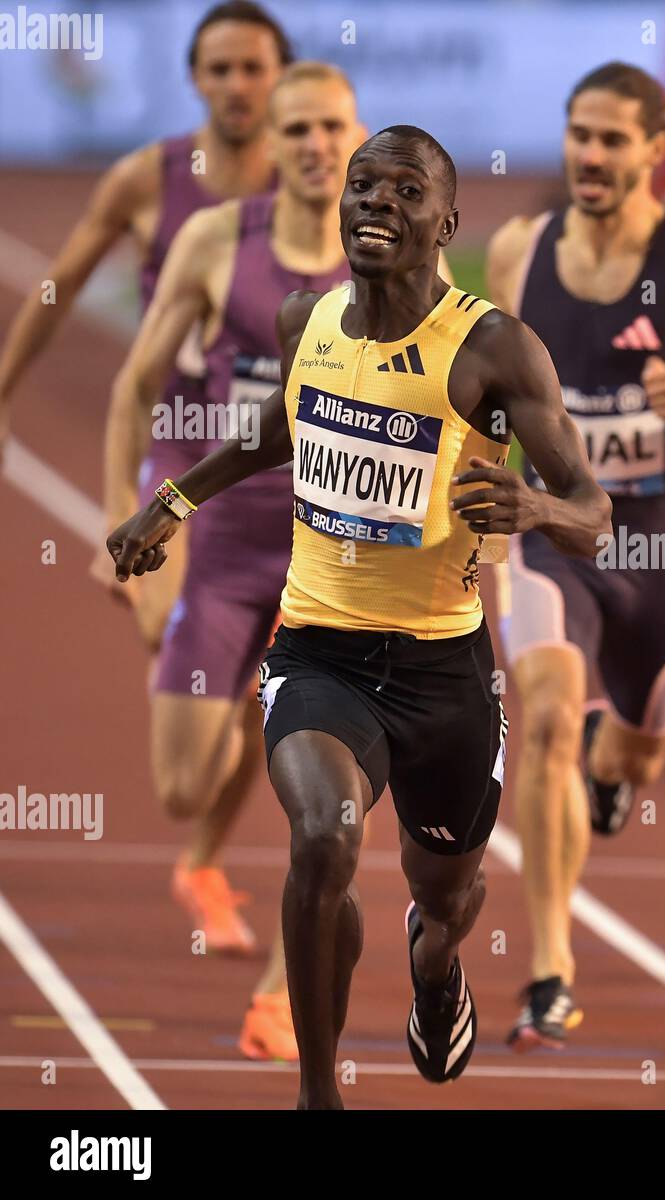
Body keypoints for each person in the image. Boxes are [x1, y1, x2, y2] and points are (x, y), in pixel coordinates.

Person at [107, 124, 612, 1109]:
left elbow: (593, 513)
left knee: (447, 893)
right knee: (324, 840)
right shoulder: (310, 319)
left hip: (443, 669)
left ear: (447, 222)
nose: (378, 202)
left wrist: (537, 508)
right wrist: (168, 505)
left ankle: (435, 972)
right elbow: (274, 427)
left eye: (406, 190)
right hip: (318, 654)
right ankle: (317, 1092)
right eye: (362, 186)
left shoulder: (493, 348)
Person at [485, 61, 665, 1049]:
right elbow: (485, 403)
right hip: (549, 532)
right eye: (578, 134)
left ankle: (619, 775)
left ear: (655, 148)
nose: (590, 155)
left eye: (612, 139)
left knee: (633, 749)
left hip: (655, 544)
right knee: (552, 723)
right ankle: (549, 968)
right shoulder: (519, 252)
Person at [104, 61, 364, 1060]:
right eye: (296, 128)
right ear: (275, 140)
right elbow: (135, 386)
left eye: (332, 126)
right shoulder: (220, 241)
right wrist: (128, 514)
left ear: (358, 134)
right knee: (181, 785)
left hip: (338, 565)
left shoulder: (390, 266)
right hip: (222, 547)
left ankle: (282, 998)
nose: (314, 144)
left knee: (335, 795)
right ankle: (257, 698)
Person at [0, 0, 289, 642]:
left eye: (252, 68)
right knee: (174, 633)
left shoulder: (313, 185)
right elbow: (60, 285)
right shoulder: (147, 179)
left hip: (278, 452)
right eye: (220, 69)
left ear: (281, 77)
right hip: (180, 435)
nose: (236, 85)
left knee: (263, 686)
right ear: (194, 78)